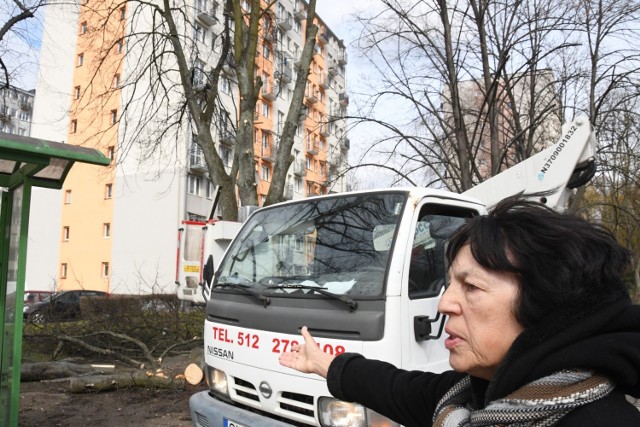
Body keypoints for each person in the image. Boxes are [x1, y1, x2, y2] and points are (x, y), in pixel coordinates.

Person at [279, 196, 640, 426]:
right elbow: (397, 388)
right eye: (449, 284)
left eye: (471, 287)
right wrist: (322, 363)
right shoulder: (473, 395)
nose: (444, 304)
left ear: (547, 303)